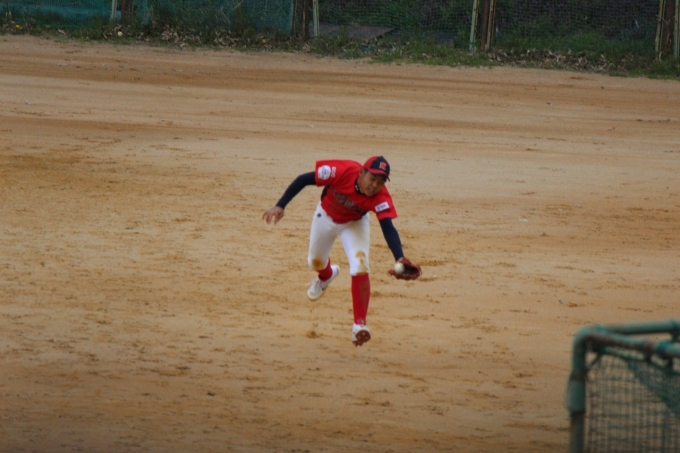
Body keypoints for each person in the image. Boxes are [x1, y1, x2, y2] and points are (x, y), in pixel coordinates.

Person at [262, 156, 421, 347]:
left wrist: (400, 257)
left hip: (354, 224)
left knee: (360, 265)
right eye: (372, 179)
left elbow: (388, 227)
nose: (374, 186)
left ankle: (359, 325)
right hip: (325, 215)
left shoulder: (381, 197)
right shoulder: (342, 171)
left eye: (380, 182)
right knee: (315, 261)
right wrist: (280, 205)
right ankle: (326, 275)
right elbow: (303, 179)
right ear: (361, 173)